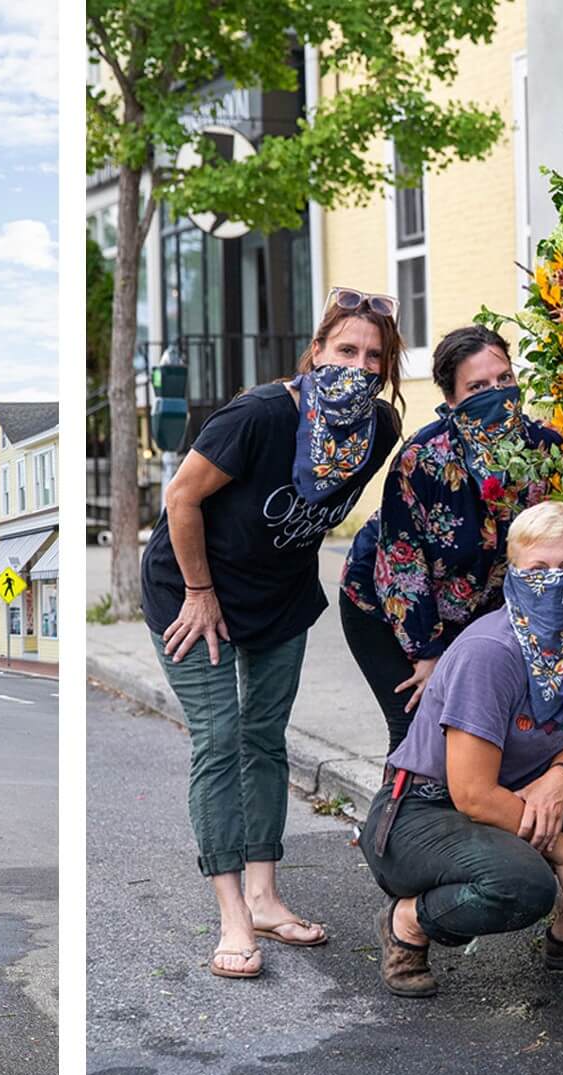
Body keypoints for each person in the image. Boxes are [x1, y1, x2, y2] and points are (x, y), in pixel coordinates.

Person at [142, 287, 404, 979]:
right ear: (315, 351)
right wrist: (199, 592)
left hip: (279, 597)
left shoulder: (378, 429)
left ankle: (263, 895)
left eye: (373, 355)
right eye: (345, 349)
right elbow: (182, 497)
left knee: (264, 737)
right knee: (220, 736)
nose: (359, 363)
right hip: (193, 589)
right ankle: (231, 913)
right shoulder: (259, 415)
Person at [362, 501, 563, 997]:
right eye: (538, 569)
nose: (555, 581)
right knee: (525, 887)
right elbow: (473, 795)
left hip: (519, 791)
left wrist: (560, 776)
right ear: (513, 574)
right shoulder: (490, 653)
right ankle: (407, 924)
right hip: (424, 811)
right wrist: (561, 847)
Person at [340, 324, 563, 755]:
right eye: (478, 386)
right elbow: (401, 564)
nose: (497, 394)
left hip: (478, 616)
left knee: (485, 731)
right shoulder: (423, 458)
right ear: (452, 401)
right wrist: (427, 653)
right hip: (388, 608)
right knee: (417, 730)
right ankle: (394, 824)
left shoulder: (544, 451)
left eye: (504, 380)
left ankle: (470, 821)